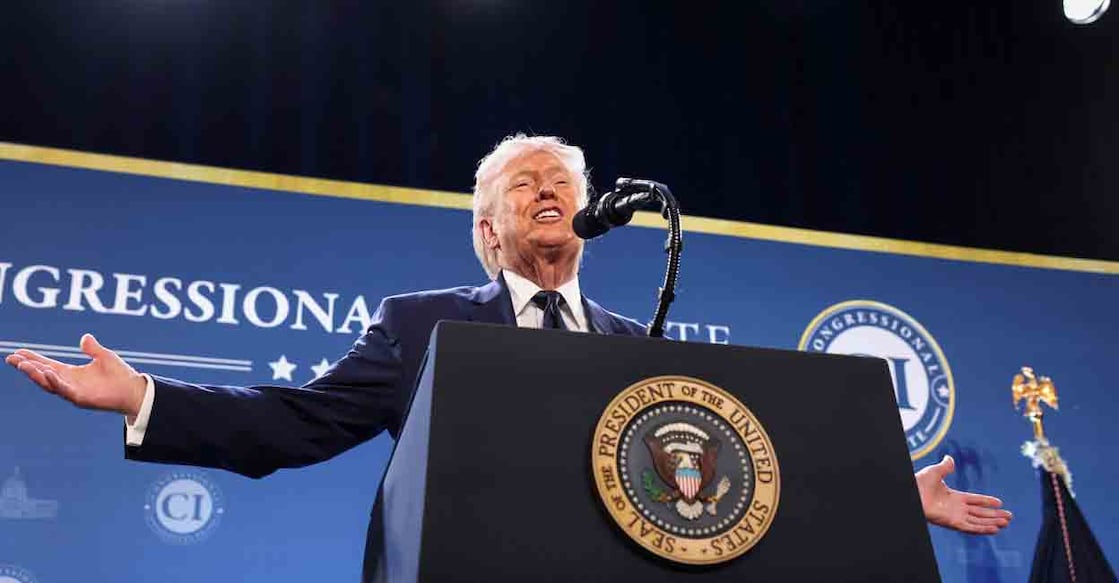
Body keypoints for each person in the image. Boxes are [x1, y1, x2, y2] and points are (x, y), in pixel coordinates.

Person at [5, 135, 1011, 578]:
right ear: (485, 227)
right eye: (524, 182)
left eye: (561, 180)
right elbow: (289, 426)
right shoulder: (420, 327)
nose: (547, 189)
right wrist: (144, 394)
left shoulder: (634, 351)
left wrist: (886, 493)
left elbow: (713, 492)